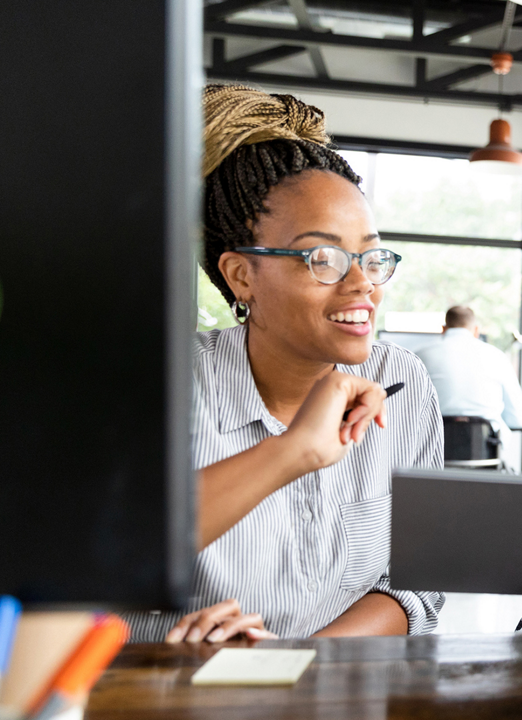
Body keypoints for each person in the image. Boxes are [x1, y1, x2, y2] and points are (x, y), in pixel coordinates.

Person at [123, 85, 445, 643]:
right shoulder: (164, 384)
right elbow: (95, 559)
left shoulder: (403, 382)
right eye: (323, 258)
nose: (361, 283)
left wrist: (297, 662)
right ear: (241, 275)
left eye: (371, 255)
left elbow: (418, 586)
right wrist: (293, 451)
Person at [417, 305, 522, 467]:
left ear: (443, 329)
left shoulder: (420, 356)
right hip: (484, 461)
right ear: (476, 330)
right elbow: (518, 420)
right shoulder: (497, 357)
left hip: (433, 461)